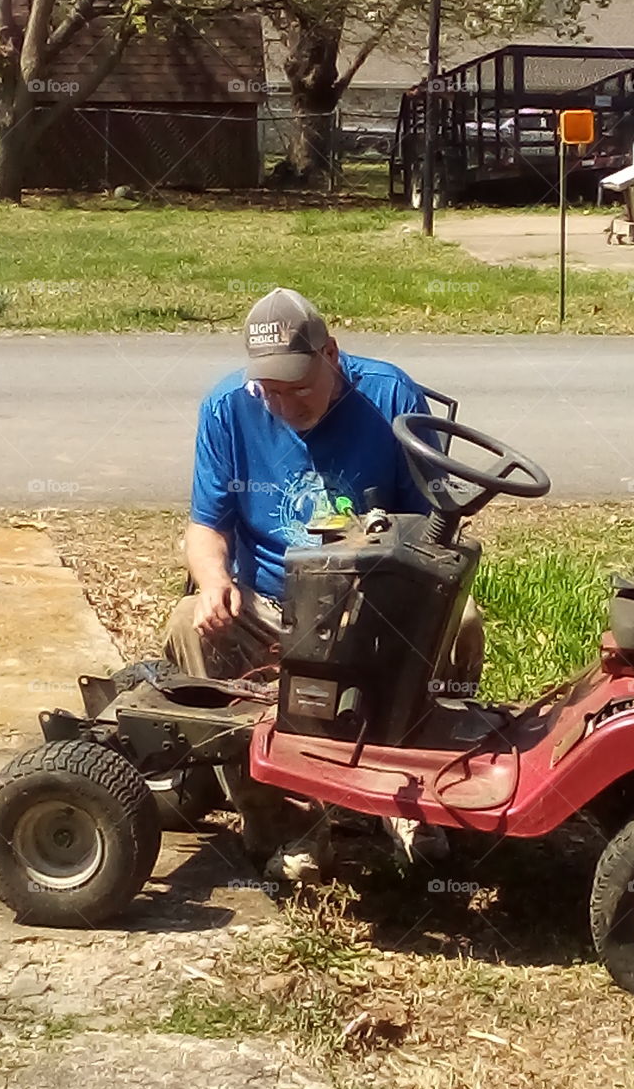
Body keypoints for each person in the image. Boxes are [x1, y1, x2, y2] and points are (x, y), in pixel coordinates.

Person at [165, 287, 483, 881]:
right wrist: (212, 583)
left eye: (299, 388)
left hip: (367, 602)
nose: (285, 405)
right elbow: (206, 526)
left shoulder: (390, 395)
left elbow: (431, 526)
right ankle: (284, 822)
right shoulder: (228, 406)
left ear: (331, 355)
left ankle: (410, 794)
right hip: (267, 598)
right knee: (191, 622)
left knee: (459, 621)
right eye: (272, 391)